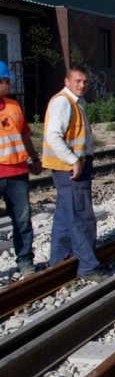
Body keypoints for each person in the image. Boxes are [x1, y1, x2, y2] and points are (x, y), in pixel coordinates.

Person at [42, 64, 102, 279]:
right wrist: (73, 160)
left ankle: (59, 261)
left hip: (67, 169)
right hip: (71, 169)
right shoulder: (63, 102)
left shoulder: (74, 102)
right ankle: (88, 267)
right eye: (77, 81)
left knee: (64, 216)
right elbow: (53, 135)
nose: (82, 85)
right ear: (67, 81)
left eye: (85, 81)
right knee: (81, 216)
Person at [0, 61, 42, 276]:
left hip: (17, 173)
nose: (10, 84)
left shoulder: (14, 106)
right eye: (7, 81)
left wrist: (34, 158)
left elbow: (25, 135)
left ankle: (25, 261)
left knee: (22, 220)